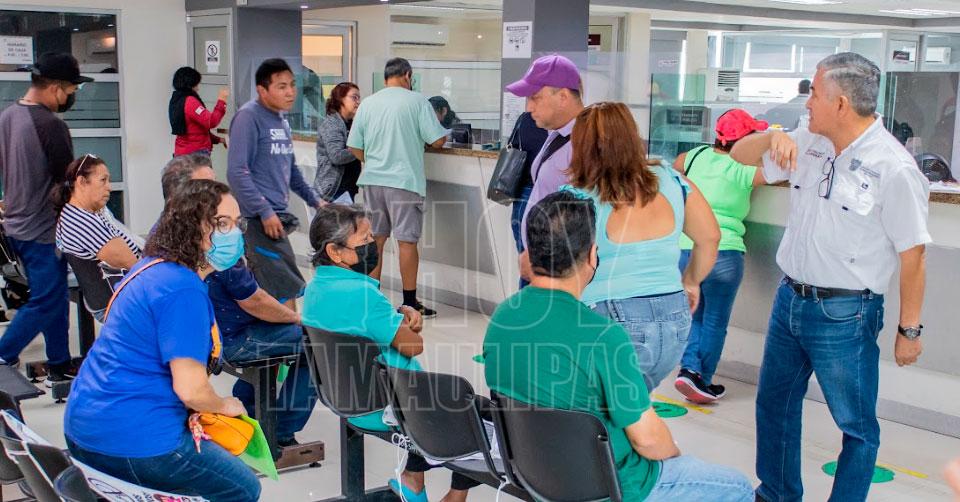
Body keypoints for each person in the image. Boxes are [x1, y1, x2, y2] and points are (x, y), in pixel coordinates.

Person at [730, 53, 930, 502]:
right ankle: (777, 494)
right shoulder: (808, 141)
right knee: (774, 405)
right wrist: (770, 137)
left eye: (815, 94)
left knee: (855, 426)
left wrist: (909, 331)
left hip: (846, 313)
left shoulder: (893, 167)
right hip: (789, 300)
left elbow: (913, 256)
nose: (807, 103)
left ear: (841, 104)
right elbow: (739, 158)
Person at [483, 191, 754, 502]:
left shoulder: (503, 318)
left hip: (536, 476)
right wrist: (674, 458)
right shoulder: (604, 337)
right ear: (591, 256)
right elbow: (648, 441)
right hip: (614, 486)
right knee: (738, 488)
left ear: (530, 255)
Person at [64, 180, 261, 501]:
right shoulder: (182, 290)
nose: (235, 234)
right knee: (243, 487)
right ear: (191, 228)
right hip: (133, 441)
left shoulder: (151, 267)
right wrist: (225, 405)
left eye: (238, 224)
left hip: (85, 426)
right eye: (223, 224)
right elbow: (191, 390)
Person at [302, 204, 480, 502]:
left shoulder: (314, 289)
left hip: (343, 397)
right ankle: (450, 494)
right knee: (472, 411)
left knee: (436, 397)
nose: (373, 245)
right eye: (364, 239)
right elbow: (413, 346)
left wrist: (396, 318)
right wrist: (410, 321)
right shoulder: (364, 295)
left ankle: (414, 481)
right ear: (335, 251)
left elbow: (362, 326)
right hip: (387, 405)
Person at [561, 102, 720, 391]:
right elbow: (710, 237)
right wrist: (691, 282)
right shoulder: (672, 180)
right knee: (635, 403)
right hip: (674, 317)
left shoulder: (577, 196)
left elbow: (560, 269)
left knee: (604, 408)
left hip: (610, 316)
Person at [0, 52, 92, 383]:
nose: (70, 98)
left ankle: (59, 363)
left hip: (16, 225)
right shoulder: (51, 125)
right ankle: (3, 355)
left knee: (54, 295)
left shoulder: (8, 115)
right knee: (47, 299)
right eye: (70, 91)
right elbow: (69, 184)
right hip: (42, 230)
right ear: (55, 88)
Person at [670, 109, 770, 403]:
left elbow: (676, 165)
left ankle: (688, 370)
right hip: (724, 253)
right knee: (714, 320)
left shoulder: (696, 156)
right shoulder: (744, 170)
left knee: (694, 315)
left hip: (687, 248)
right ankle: (701, 379)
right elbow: (780, 173)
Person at [347, 57, 447, 318]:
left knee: (375, 241)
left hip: (372, 181)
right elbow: (438, 140)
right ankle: (410, 303)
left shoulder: (368, 103)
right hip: (404, 182)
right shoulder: (417, 101)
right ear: (408, 75)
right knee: (406, 242)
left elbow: (354, 146)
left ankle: (373, 300)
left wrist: (373, 161)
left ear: (385, 79)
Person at [228, 58, 323, 310]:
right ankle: (290, 333)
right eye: (281, 86)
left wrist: (316, 201)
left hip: (275, 216)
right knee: (282, 287)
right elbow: (237, 172)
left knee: (278, 286)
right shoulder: (248, 117)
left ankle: (285, 332)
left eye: (292, 85)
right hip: (256, 220)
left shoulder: (281, 121)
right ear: (262, 90)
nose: (290, 92)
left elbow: (291, 172)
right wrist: (264, 211)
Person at [505, 54, 584, 262]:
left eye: (535, 97)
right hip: (540, 258)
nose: (529, 107)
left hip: (558, 265)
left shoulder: (584, 143)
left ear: (563, 97)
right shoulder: (557, 134)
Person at [53, 154, 142, 322]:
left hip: (117, 298)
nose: (109, 188)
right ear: (81, 182)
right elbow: (135, 265)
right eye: (103, 180)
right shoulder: (82, 222)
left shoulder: (84, 213)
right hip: (120, 303)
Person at [507, 111, 548, 288]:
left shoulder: (526, 118)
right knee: (535, 264)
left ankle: (526, 302)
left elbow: (513, 145)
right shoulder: (565, 124)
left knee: (528, 262)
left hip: (524, 194)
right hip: (536, 193)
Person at [315, 82, 362, 202]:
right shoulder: (332, 124)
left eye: (359, 98)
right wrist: (359, 149)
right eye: (354, 97)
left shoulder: (351, 124)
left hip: (347, 189)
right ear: (341, 99)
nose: (358, 102)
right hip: (334, 191)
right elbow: (337, 156)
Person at [169, 66, 228, 156]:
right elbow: (211, 121)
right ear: (190, 84)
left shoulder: (177, 100)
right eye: (196, 85)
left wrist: (220, 140)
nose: (198, 88)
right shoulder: (190, 102)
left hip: (183, 154)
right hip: (195, 157)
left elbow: (196, 131)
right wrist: (222, 100)